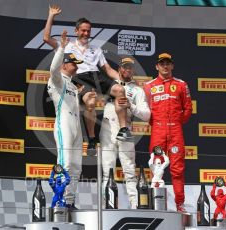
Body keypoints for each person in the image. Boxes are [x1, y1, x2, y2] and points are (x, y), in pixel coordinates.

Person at [43, 5, 132, 153]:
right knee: (90, 102)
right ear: (76, 31)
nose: (86, 33)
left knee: (120, 90)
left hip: (96, 75)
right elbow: (46, 38)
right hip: (79, 77)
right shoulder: (67, 45)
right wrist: (51, 15)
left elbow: (108, 70)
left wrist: (125, 82)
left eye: (88, 31)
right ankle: (91, 139)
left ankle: (123, 130)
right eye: (83, 30)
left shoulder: (96, 49)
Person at [143, 53, 192, 212]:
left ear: (172, 66)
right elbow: (145, 112)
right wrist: (159, 124)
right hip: (158, 130)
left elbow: (188, 109)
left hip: (175, 130)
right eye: (161, 63)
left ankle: (180, 204)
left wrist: (175, 123)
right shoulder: (149, 86)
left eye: (167, 63)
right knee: (156, 167)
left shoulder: (181, 84)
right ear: (157, 66)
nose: (165, 66)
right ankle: (156, 205)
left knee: (177, 169)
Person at [48, 30, 92, 208]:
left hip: (76, 125)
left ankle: (70, 201)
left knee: (76, 166)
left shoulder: (73, 86)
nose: (76, 66)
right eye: (74, 63)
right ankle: (59, 200)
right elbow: (53, 69)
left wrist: (85, 100)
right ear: (65, 65)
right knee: (65, 162)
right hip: (64, 123)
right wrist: (62, 48)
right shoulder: (57, 80)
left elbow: (76, 106)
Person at [100, 57, 150, 209]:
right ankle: (106, 206)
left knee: (129, 169)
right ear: (120, 69)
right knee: (107, 170)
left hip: (126, 129)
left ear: (133, 70)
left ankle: (135, 205)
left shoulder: (137, 90)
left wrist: (131, 106)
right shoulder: (110, 84)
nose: (128, 70)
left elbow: (147, 115)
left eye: (130, 67)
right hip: (107, 127)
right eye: (125, 67)